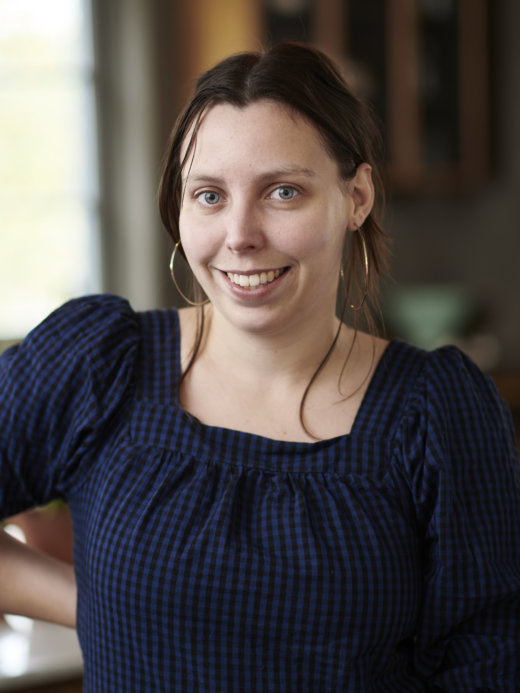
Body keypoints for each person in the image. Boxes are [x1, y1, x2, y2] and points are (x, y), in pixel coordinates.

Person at [1, 42, 519, 692]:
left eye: (282, 191)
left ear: (356, 196)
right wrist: (98, 603)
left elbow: (491, 663)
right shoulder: (99, 366)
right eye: (210, 195)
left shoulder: (439, 410)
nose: (240, 233)